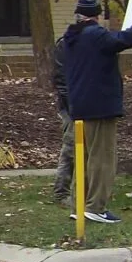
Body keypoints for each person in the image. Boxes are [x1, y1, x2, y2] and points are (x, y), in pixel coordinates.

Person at [61, 0, 132, 223]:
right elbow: (124, 40)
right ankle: (96, 206)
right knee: (102, 158)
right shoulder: (95, 35)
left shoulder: (71, 37)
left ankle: (79, 205)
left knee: (84, 158)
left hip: (80, 105)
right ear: (97, 15)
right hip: (100, 105)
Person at [50, 34, 74, 207]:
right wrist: (71, 106)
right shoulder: (65, 45)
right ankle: (61, 192)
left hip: (82, 104)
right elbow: (60, 80)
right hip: (70, 107)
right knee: (70, 148)